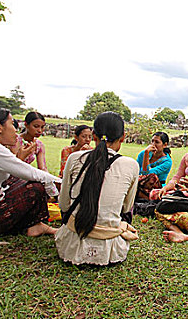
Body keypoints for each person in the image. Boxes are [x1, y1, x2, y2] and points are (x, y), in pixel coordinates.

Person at [55, 112, 140, 266]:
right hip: (110, 250)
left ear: (94, 135)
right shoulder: (131, 165)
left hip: (71, 246)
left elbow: (64, 205)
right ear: (123, 137)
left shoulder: (75, 158)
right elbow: (127, 208)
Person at [0, 106, 60, 240]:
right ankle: (34, 226)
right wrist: (63, 184)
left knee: (21, 181)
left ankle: (35, 225)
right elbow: (32, 173)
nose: (15, 130)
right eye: (12, 124)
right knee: (35, 187)